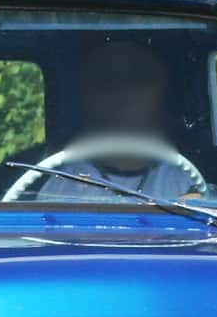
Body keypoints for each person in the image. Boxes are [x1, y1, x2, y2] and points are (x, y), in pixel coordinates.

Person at [27, 39, 200, 201]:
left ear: (167, 90)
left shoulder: (194, 177)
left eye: (139, 77)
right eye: (104, 79)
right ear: (83, 94)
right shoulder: (49, 178)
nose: (122, 92)